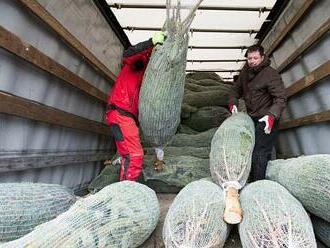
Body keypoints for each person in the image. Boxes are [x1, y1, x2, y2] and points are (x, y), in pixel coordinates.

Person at [105, 31, 166, 181]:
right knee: (134, 156)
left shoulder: (148, 77)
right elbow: (128, 54)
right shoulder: (137, 62)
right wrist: (151, 42)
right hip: (120, 112)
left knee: (130, 156)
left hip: (127, 117)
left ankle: (125, 192)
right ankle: (125, 196)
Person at [229, 44, 287, 181]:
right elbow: (235, 89)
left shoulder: (271, 74)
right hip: (252, 118)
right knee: (250, 150)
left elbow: (281, 98)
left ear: (262, 57)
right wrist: (232, 103)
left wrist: (271, 116)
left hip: (267, 119)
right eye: (249, 58)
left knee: (260, 152)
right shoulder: (245, 72)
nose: (252, 61)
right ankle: (251, 178)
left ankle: (258, 184)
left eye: (255, 58)